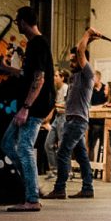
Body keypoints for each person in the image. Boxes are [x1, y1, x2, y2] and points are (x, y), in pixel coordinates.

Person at [1, 6, 55, 212]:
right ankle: (31, 185)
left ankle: (31, 198)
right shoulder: (35, 45)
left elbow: (39, 79)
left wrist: (25, 108)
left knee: (24, 147)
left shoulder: (38, 44)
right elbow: (28, 73)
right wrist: (7, 69)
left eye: (17, 22)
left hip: (34, 105)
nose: (17, 25)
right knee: (7, 143)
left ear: (23, 22)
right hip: (31, 104)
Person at [44, 28, 102, 200]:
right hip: (73, 120)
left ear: (82, 60)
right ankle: (88, 188)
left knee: (62, 153)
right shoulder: (76, 75)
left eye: (73, 60)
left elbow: (80, 51)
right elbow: (79, 50)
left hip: (77, 121)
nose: (70, 63)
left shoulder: (88, 74)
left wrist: (88, 33)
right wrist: (89, 39)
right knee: (82, 156)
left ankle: (60, 188)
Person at [43, 68, 70, 180]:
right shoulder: (56, 89)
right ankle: (54, 170)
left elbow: (67, 105)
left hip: (63, 118)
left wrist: (58, 106)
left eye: (56, 76)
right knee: (48, 144)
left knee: (62, 145)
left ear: (62, 78)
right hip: (57, 118)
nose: (54, 78)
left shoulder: (65, 88)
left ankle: (68, 172)